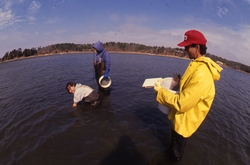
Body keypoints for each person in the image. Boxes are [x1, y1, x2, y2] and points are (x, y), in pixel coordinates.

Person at [154, 30, 223, 161]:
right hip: (182, 120)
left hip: (184, 124)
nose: (185, 50)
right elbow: (191, 88)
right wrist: (179, 81)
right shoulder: (197, 66)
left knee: (174, 155)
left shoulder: (202, 73)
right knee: (171, 149)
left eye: (187, 46)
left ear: (197, 47)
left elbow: (182, 103)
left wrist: (160, 91)